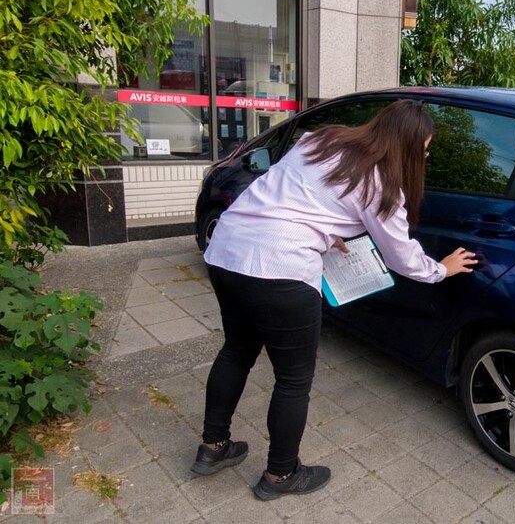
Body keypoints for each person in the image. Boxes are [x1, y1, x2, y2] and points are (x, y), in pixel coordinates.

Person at [191, 99, 478, 501]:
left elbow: (297, 192)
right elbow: (402, 257)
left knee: (236, 351)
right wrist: (441, 269)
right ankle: (280, 475)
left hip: (227, 250)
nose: (425, 158)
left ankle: (213, 448)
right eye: (425, 150)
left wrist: (330, 228)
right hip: (281, 268)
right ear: (408, 148)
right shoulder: (382, 185)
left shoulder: (322, 139)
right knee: (293, 380)